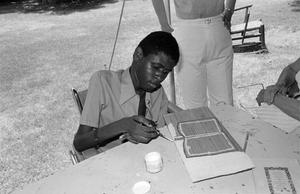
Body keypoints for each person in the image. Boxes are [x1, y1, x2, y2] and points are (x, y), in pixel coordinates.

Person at [73, 31, 180, 152]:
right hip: (110, 161)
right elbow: (79, 142)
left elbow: (160, 134)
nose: (159, 77)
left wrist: (151, 132)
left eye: (165, 72)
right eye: (155, 67)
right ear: (138, 55)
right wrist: (122, 125)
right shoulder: (103, 82)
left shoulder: (157, 92)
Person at [152, 0, 236, 108]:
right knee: (224, 103)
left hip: (194, 30)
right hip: (215, 26)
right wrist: (229, 10)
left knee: (196, 106)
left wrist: (164, 24)